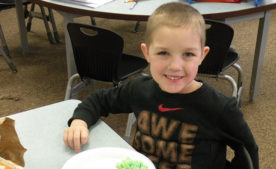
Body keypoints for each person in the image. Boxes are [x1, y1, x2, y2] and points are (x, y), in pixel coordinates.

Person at [63, 2, 259, 169]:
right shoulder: (139, 89)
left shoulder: (220, 108)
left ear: (203, 55)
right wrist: (80, 120)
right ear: (147, 53)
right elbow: (99, 100)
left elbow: (248, 151)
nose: (175, 66)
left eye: (188, 54)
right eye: (163, 53)